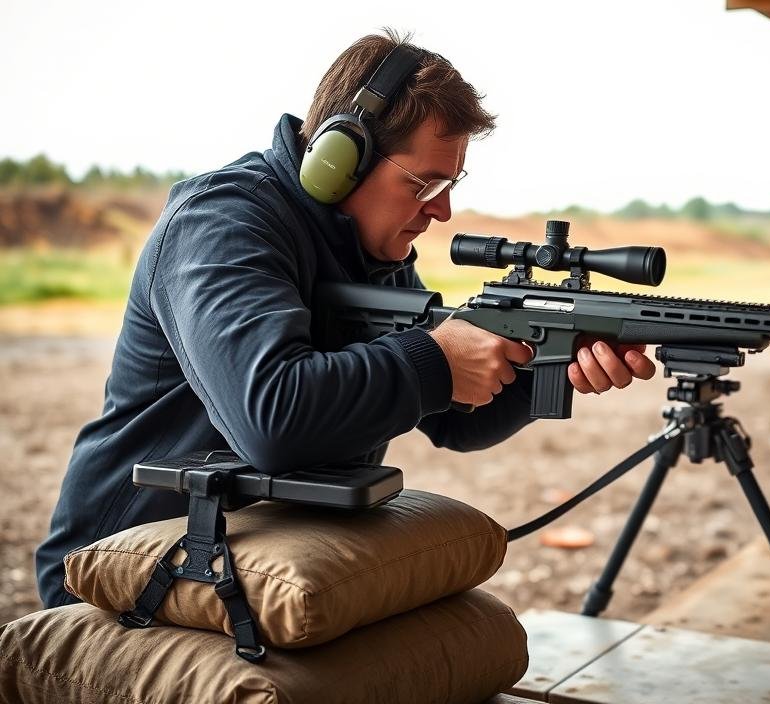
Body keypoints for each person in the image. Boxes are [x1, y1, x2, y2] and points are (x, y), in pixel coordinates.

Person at [36, 31, 656, 608]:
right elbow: (273, 420)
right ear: (341, 160)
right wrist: (437, 359)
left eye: (451, 183)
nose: (442, 210)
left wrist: (544, 361)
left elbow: (458, 422)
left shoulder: (372, 251)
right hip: (128, 558)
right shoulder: (221, 223)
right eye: (424, 184)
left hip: (266, 548)